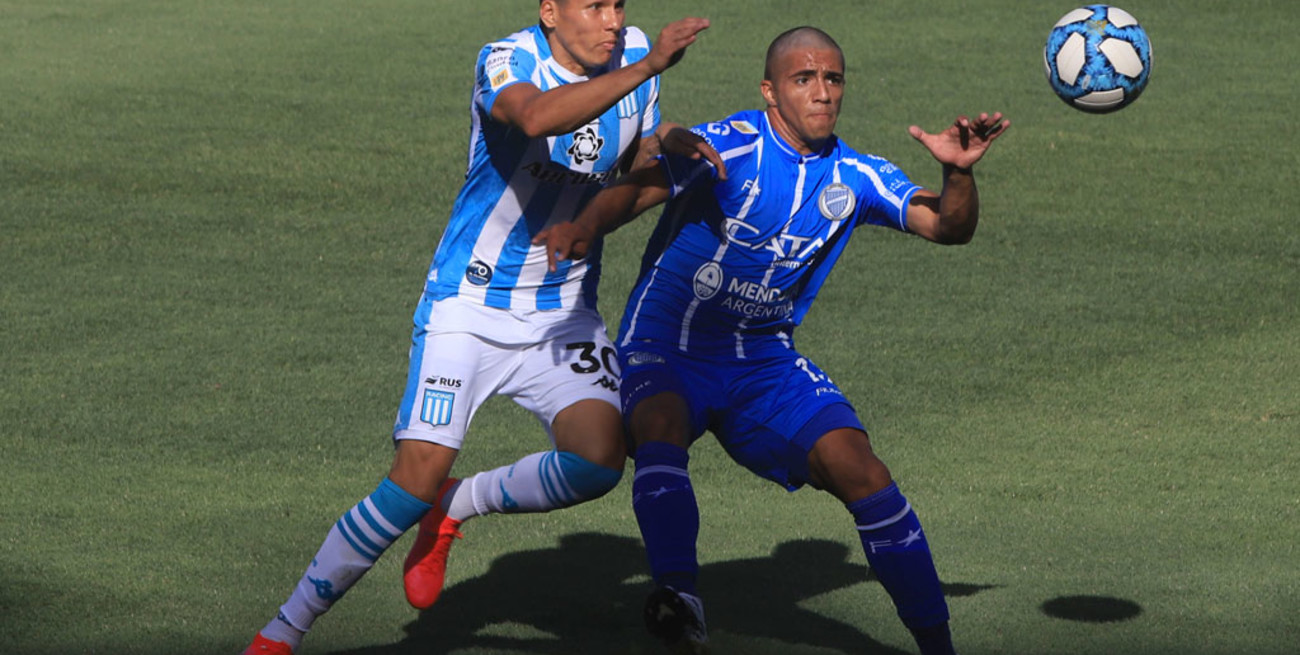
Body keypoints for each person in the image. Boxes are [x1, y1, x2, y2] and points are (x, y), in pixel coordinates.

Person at [242, 2, 722, 653]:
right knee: (413, 477)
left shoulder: (632, 51)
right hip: (469, 306)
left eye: (618, 4)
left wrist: (671, 140)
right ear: (550, 12)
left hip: (563, 313)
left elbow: (631, 138)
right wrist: (648, 64)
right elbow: (537, 116)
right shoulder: (508, 60)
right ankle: (282, 630)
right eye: (593, 5)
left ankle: (457, 505)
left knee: (600, 458)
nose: (611, 19)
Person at [535, 26, 1009, 655]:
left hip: (763, 363)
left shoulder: (858, 175)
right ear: (770, 90)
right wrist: (584, 225)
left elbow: (948, 228)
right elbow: (643, 187)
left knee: (862, 470)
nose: (822, 92)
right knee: (660, 422)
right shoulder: (732, 146)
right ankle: (681, 606)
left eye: (833, 79)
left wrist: (956, 175)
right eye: (804, 79)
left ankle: (938, 647)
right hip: (667, 344)